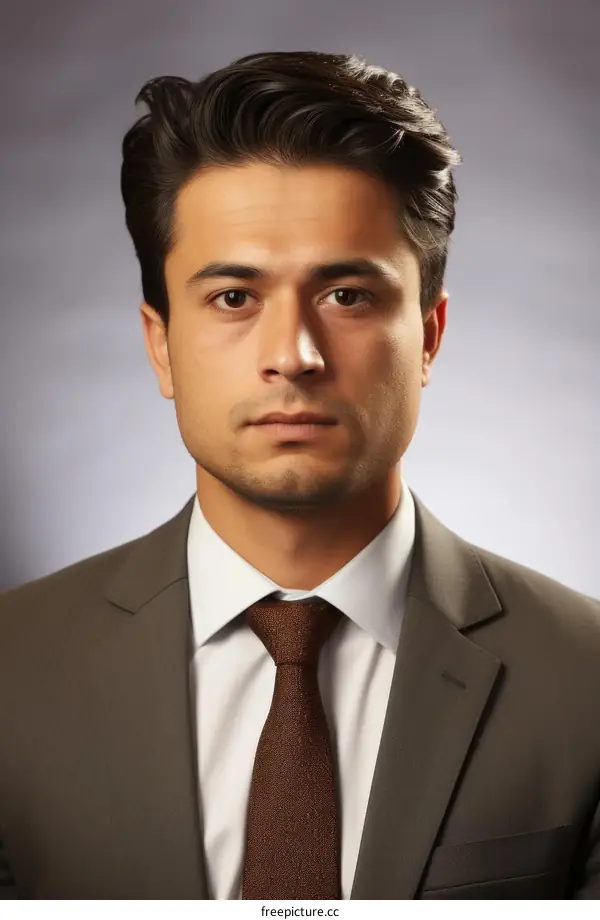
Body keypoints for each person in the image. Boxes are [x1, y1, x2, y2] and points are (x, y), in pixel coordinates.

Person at [0, 50, 599, 901]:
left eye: (348, 295)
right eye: (234, 298)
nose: (294, 355)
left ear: (428, 336)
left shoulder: (586, 682)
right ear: (159, 344)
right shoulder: (12, 671)